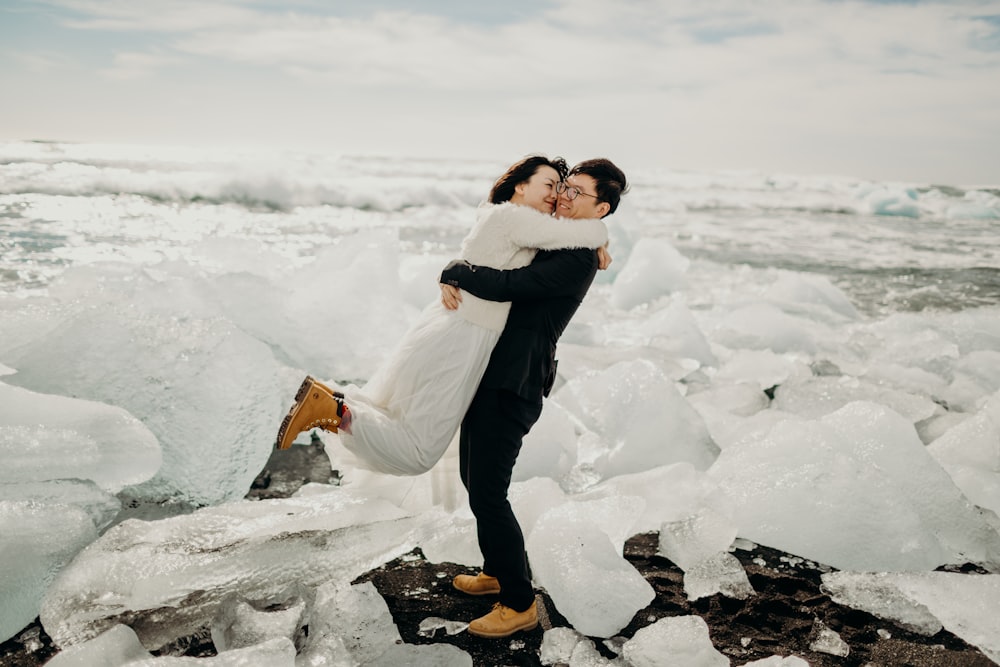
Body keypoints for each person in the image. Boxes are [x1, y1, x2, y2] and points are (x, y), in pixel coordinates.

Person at [275, 156, 611, 476]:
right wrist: (600, 236)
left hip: (457, 327)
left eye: (561, 188)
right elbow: (572, 237)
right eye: (550, 185)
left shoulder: (512, 220)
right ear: (521, 186)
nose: (557, 196)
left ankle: (333, 400)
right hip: (464, 335)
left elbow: (561, 240)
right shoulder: (515, 219)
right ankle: (331, 409)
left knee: (396, 414)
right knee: (420, 454)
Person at [439, 158, 628, 638]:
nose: (564, 196)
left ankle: (519, 603)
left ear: (601, 207)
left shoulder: (576, 256)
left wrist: (455, 268)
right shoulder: (567, 239)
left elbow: (508, 285)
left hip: (514, 381)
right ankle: (498, 571)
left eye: (577, 193)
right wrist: (600, 237)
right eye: (564, 187)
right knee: (472, 477)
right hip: (494, 372)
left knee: (487, 490)